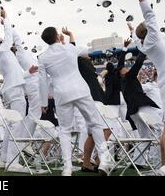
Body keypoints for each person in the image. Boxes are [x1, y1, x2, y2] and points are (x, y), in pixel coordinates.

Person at [123, 0, 165, 176]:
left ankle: (164, 167)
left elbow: (137, 38)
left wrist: (132, 31)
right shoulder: (154, 37)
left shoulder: (144, 45)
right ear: (150, 30)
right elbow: (150, 15)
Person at [38, 26, 112, 176]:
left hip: (61, 94)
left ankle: (67, 168)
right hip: (80, 90)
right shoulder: (69, 49)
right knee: (95, 123)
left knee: (64, 130)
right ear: (57, 37)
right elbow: (85, 51)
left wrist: (44, 103)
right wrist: (69, 39)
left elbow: (42, 82)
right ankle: (104, 160)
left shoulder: (43, 58)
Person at [0, 8, 37, 172]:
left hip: (12, 89)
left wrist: (27, 73)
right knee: (16, 125)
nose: (3, 39)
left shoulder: (6, 56)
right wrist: (6, 19)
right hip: (15, 92)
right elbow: (9, 36)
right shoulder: (2, 51)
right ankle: (12, 162)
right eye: (0, 39)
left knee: (11, 126)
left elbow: (15, 74)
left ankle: (4, 160)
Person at [120, 51, 161, 169]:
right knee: (161, 127)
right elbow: (138, 64)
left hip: (133, 112)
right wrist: (144, 50)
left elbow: (121, 65)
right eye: (124, 69)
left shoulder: (123, 81)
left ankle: (138, 162)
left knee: (145, 138)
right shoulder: (128, 77)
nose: (126, 68)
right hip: (141, 107)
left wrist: (124, 49)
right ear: (121, 74)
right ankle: (159, 160)